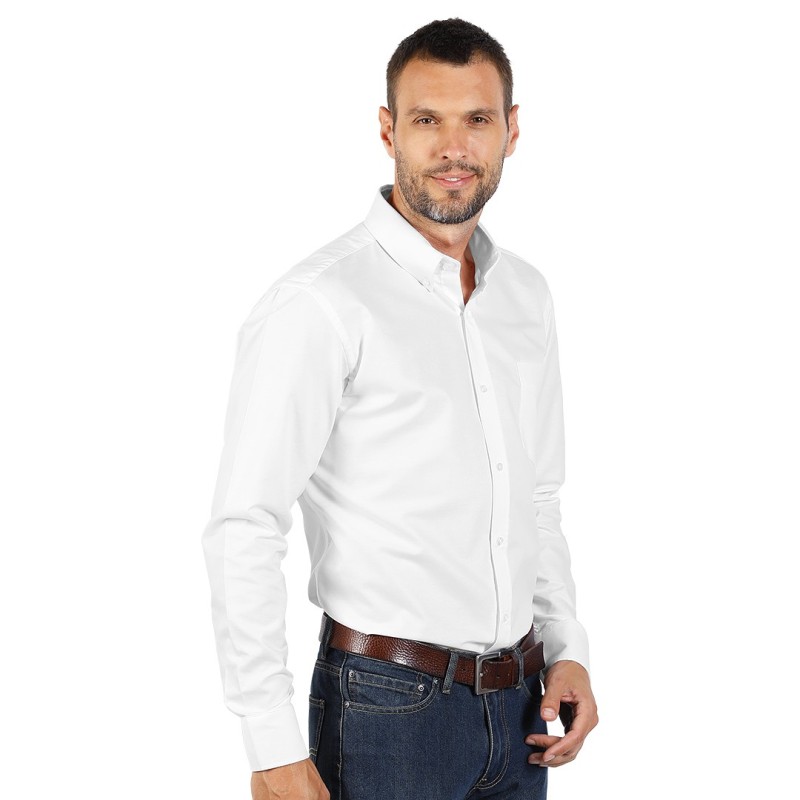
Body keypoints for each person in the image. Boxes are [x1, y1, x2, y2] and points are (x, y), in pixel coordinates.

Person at [202, 17, 598, 800]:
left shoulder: (525, 295)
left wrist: (567, 647)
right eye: (426, 120)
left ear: (512, 129)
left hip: (522, 709)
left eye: (476, 118)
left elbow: (537, 497)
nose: (454, 147)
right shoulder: (321, 304)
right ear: (388, 131)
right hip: (386, 710)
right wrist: (270, 743)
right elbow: (245, 523)